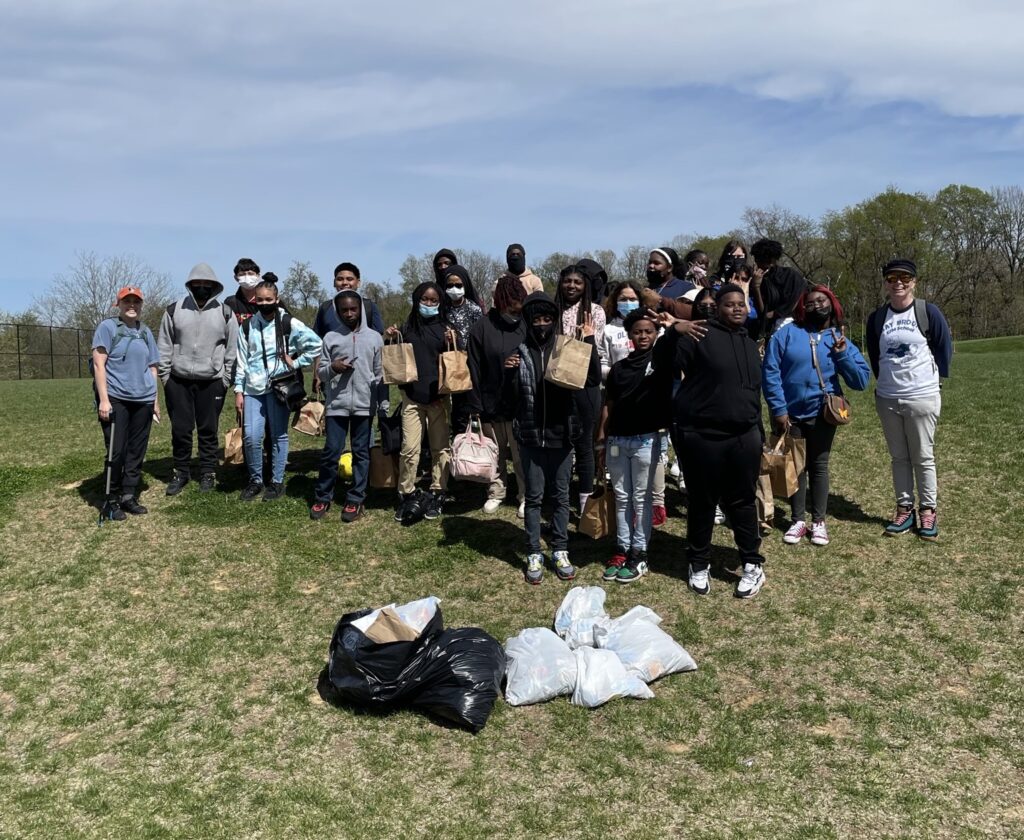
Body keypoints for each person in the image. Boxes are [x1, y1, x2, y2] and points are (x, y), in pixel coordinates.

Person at [668, 283, 766, 599]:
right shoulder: (698, 334)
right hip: (702, 435)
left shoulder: (751, 344)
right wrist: (674, 332)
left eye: (742, 303)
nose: (737, 308)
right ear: (717, 308)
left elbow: (753, 393)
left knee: (742, 501)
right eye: (729, 304)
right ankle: (698, 562)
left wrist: (758, 434)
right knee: (703, 501)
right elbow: (669, 364)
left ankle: (752, 563)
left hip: (744, 436)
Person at [504, 292, 600, 584]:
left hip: (562, 434)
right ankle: (533, 550)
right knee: (533, 498)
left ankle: (559, 548)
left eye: (547, 319)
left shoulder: (567, 348)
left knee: (560, 497)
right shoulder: (518, 352)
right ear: (528, 321)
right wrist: (508, 374)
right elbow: (509, 401)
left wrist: (590, 341)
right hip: (532, 436)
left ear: (554, 321)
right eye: (537, 319)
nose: (542, 325)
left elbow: (593, 378)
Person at [762, 286, 870, 546]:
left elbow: (861, 380)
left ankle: (819, 521)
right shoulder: (786, 335)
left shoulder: (839, 338)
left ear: (832, 304)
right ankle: (798, 520)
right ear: (801, 308)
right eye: (809, 303)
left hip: (823, 413)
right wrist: (778, 409)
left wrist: (842, 354)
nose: (816, 306)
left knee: (818, 465)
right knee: (796, 466)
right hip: (790, 414)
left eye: (821, 301)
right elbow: (771, 372)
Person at [866, 259, 952, 541]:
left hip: (922, 396)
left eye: (905, 278)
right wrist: (885, 383)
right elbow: (875, 356)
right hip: (888, 398)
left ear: (914, 281)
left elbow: (943, 347)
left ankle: (928, 510)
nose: (898, 283)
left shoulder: (927, 311)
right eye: (892, 278)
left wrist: (934, 380)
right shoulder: (877, 318)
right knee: (899, 457)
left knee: (923, 456)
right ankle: (905, 508)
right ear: (886, 283)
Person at [597, 309, 679, 583]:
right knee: (622, 496)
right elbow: (609, 403)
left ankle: (639, 553)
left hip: (647, 439)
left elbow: (675, 343)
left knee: (641, 498)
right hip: (618, 441)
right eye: (637, 331)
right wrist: (602, 436)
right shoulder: (619, 368)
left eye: (649, 331)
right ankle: (621, 548)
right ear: (629, 335)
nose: (643, 336)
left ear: (656, 334)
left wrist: (672, 325)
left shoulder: (661, 361)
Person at [233, 274, 322, 502]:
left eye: (268, 299)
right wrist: (238, 391)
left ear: (276, 298)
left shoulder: (288, 322)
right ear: (255, 300)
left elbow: (316, 344)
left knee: (278, 435)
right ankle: (255, 480)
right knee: (251, 436)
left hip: (279, 387)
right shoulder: (247, 326)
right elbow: (242, 360)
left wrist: (296, 362)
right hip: (253, 389)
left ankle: (277, 481)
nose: (264, 304)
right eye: (260, 300)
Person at [157, 263, 238, 496]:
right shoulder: (174, 310)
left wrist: (225, 379)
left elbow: (232, 348)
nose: (202, 288)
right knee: (181, 430)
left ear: (214, 287)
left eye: (206, 285)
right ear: (190, 285)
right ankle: (180, 472)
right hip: (178, 380)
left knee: (208, 429)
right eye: (197, 285)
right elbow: (164, 344)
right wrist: (165, 377)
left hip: (212, 380)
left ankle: (207, 473)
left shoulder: (225, 312)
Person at [602, 280, 671, 526]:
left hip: (650, 409)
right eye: (623, 298)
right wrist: (615, 373)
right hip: (621, 389)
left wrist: (668, 327)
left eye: (632, 298)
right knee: (627, 476)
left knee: (656, 457)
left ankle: (657, 503)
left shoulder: (657, 333)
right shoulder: (609, 329)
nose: (627, 302)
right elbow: (602, 360)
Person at [310, 290, 383, 523]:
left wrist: (382, 404)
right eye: (344, 310)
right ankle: (323, 496)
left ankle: (356, 498)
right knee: (332, 451)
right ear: (337, 311)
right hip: (337, 406)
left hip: (364, 405)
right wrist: (333, 367)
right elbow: (320, 373)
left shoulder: (374, 338)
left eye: (353, 309)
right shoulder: (330, 338)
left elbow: (380, 374)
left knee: (361, 452)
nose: (350, 314)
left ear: (360, 308)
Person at [91, 286, 161, 519]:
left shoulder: (145, 331)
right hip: (116, 398)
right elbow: (99, 364)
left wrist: (155, 401)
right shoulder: (108, 328)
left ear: (141, 305)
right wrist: (104, 399)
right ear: (118, 305)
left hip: (143, 400)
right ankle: (111, 498)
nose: (132, 305)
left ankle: (128, 495)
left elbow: (153, 367)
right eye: (127, 301)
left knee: (136, 450)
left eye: (136, 302)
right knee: (116, 450)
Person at [387, 282, 455, 521]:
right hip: (412, 398)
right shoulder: (406, 328)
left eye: (433, 300)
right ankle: (406, 492)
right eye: (424, 299)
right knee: (409, 449)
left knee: (440, 449)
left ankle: (438, 491)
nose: (428, 304)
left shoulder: (446, 329)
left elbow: (455, 359)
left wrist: (450, 341)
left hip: (438, 399)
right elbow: (395, 359)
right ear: (416, 301)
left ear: (440, 303)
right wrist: (391, 338)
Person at [467, 272, 528, 516]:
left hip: (520, 402)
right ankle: (496, 492)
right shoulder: (482, 327)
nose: (515, 311)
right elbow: (473, 367)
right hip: (491, 400)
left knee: (521, 454)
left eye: (519, 306)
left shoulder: (526, 323)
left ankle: (525, 495)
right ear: (500, 301)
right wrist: (476, 404)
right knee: (496, 453)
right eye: (511, 306)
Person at [555, 264, 607, 514]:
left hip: (586, 384)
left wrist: (586, 336)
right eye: (568, 281)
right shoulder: (553, 310)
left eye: (577, 282)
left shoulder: (594, 311)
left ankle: (585, 498)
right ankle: (560, 496)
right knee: (562, 442)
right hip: (557, 385)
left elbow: (594, 351)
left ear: (585, 285)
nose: (572, 286)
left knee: (585, 444)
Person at [750, 238, 808, 338]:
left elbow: (793, 302)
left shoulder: (790, 276)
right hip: (766, 328)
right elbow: (761, 310)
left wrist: (773, 314)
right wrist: (756, 287)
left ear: (773, 260)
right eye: (757, 260)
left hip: (792, 324)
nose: (760, 265)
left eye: (764, 261)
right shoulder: (757, 279)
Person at [313, 263, 385, 338]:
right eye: (340, 279)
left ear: (358, 283)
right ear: (334, 283)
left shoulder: (369, 306)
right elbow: (317, 338)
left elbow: (377, 337)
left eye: (349, 279)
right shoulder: (325, 308)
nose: (344, 283)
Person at [224, 257, 263, 325]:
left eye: (250, 274)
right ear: (236, 278)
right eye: (242, 274)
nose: (246, 277)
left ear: (258, 276)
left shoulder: (267, 300)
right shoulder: (230, 302)